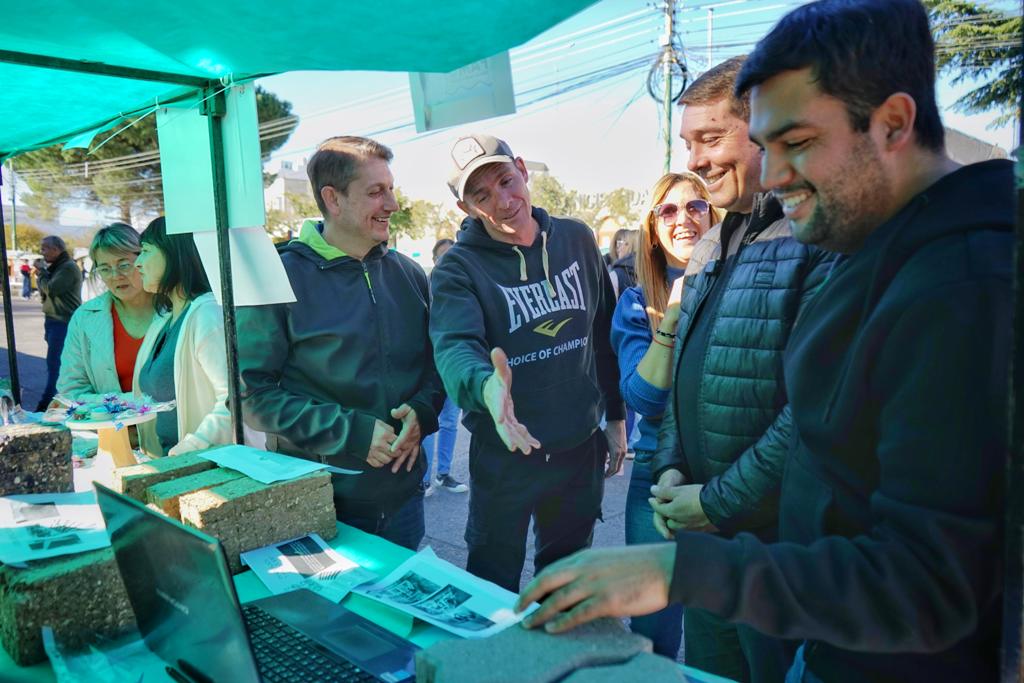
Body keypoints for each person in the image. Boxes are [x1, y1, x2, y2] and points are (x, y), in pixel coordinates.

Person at [517, 2, 1011, 682]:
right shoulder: (876, 245)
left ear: (893, 123)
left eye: (798, 142)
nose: (773, 176)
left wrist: (686, 563)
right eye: (768, 144)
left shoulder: (967, 280)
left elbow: (930, 581)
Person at [642, 56, 836, 682]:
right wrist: (670, 470)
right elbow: (680, 384)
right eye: (687, 142)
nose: (695, 161)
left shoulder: (819, 235)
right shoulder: (711, 240)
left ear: (766, 129)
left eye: (711, 138)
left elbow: (813, 409)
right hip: (707, 540)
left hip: (775, 552)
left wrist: (719, 502)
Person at [429, 133, 627, 592]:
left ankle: (556, 660)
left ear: (521, 168)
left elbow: (602, 335)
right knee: (491, 582)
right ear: (466, 209)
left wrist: (614, 415)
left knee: (566, 580)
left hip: (578, 448)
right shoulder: (457, 268)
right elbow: (455, 346)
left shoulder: (576, 238)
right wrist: (486, 387)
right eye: (481, 195)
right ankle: (501, 664)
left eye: (505, 180)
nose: (502, 200)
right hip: (506, 453)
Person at [237, 136, 444, 550]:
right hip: (319, 506)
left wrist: (423, 412)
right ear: (333, 199)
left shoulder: (409, 274)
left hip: (405, 501)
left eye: (390, 188)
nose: (392, 204)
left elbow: (435, 367)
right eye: (375, 192)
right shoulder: (275, 279)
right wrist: (351, 432)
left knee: (397, 616)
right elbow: (252, 396)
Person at [609, 171, 720, 658]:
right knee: (655, 625)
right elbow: (645, 400)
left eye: (696, 206)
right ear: (653, 228)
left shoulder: (743, 285)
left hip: (726, 477)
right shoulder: (636, 302)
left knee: (719, 626)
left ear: (714, 215)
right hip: (655, 480)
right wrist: (672, 315)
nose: (683, 219)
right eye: (668, 211)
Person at [133, 217, 234, 457]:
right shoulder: (164, 320)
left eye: (145, 251)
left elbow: (233, 400)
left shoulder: (206, 313)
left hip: (196, 466)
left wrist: (191, 448)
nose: (137, 263)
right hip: (164, 461)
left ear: (174, 254)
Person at [57, 223, 155, 402]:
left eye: (124, 264)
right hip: (112, 428)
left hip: (172, 428)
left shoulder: (174, 309)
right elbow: (71, 390)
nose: (115, 275)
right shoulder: (84, 318)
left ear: (142, 260)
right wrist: (128, 404)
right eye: (104, 268)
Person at [422, 238, 468, 496]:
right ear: (434, 261)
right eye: (443, 256)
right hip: (431, 368)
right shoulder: (424, 287)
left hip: (453, 368)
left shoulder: (463, 287)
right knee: (429, 424)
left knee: (450, 421)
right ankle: (425, 477)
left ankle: (443, 474)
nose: (448, 260)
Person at [35, 235, 82, 410]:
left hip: (63, 323)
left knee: (56, 368)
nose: (42, 252)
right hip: (54, 321)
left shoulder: (68, 267)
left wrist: (41, 272)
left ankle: (46, 407)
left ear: (56, 249)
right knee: (54, 365)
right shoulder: (58, 267)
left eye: (45, 248)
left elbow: (51, 289)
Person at [607, 228, 637, 298]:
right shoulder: (651, 270)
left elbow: (608, 306)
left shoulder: (616, 274)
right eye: (618, 243)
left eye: (623, 243)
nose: (619, 248)